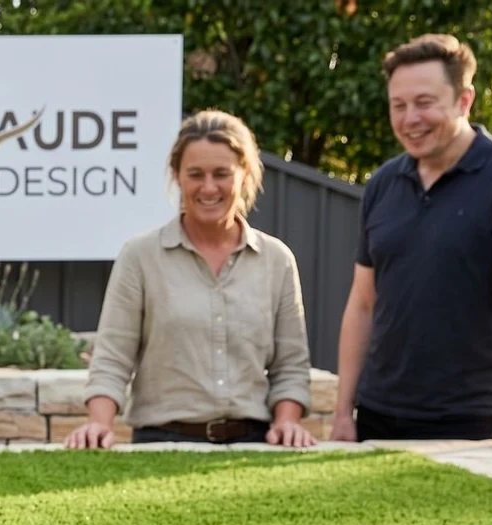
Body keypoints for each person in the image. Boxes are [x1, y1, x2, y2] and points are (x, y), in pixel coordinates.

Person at [330, 34, 492, 449]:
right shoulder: (382, 184)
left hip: (473, 422)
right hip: (379, 416)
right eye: (398, 105)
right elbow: (362, 304)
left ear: (464, 100)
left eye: (424, 102)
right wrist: (344, 413)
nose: (410, 118)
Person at [67, 110, 315, 449]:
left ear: (244, 174)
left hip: (253, 445)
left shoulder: (277, 260)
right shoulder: (139, 256)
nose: (208, 187)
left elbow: (290, 365)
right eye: (195, 174)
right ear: (177, 176)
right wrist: (99, 424)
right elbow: (112, 357)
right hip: (159, 442)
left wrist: (287, 423)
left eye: (221, 174)